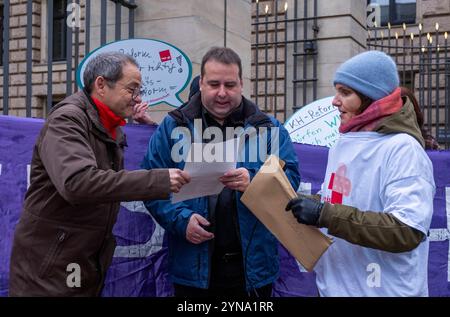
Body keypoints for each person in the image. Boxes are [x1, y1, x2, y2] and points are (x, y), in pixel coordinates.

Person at [9, 52, 190, 296]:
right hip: (50, 263)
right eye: (132, 89)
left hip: (80, 257)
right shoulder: (67, 120)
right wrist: (157, 180)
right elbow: (78, 183)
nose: (137, 98)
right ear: (101, 85)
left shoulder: (111, 125)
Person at [141, 47, 300, 297]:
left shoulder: (269, 128)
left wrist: (256, 179)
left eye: (230, 84)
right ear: (201, 83)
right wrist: (181, 220)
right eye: (214, 84)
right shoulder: (173, 126)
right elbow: (150, 183)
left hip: (253, 268)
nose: (222, 93)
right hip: (192, 269)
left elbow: (291, 179)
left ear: (241, 85)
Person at [286, 51, 435, 296]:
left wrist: (325, 214)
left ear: (371, 98)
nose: (335, 101)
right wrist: (301, 204)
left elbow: (407, 230)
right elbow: (338, 203)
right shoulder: (342, 144)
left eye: (345, 92)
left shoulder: (403, 149)